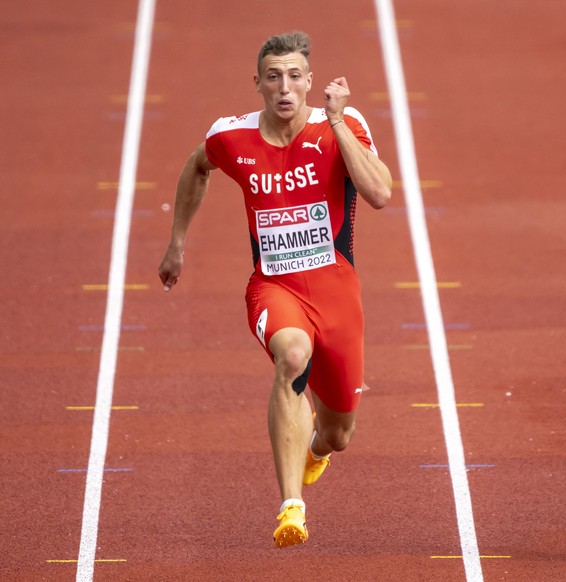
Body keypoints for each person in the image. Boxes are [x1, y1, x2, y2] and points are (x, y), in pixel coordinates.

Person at [158, 31, 392, 548]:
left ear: (309, 82)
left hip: (337, 294)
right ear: (258, 84)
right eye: (273, 77)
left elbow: (379, 193)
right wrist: (177, 242)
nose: (284, 87)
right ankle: (292, 507)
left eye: (294, 76)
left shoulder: (343, 125)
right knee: (291, 356)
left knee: (339, 433)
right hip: (274, 287)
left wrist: (334, 120)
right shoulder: (231, 136)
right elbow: (197, 166)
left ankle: (316, 448)